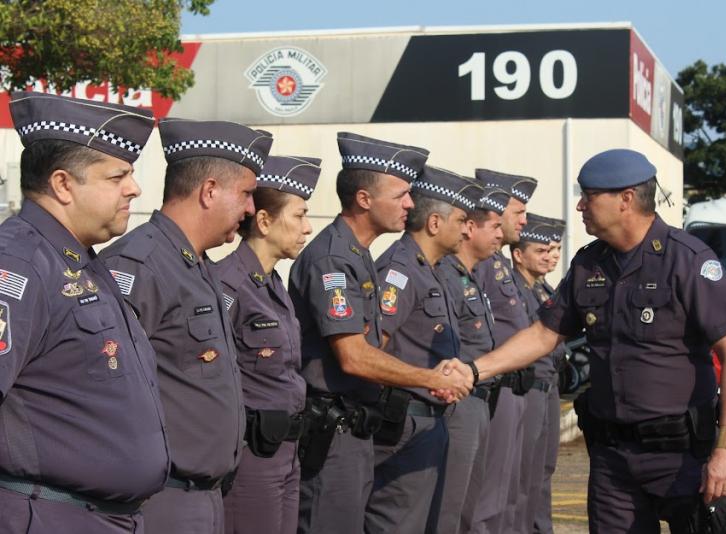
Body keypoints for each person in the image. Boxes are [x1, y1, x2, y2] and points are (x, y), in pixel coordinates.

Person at [463, 149, 726, 533]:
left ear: (626, 199)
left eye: (590, 195)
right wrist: (473, 370)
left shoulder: (687, 259)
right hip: (612, 460)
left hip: (682, 458)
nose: (580, 204)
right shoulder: (588, 264)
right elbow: (544, 334)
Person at [0, 91, 170, 533]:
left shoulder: (82, 261)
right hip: (50, 517)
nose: (134, 188)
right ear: (63, 185)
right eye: (118, 177)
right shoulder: (19, 264)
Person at [289, 133, 473, 534]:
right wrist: (430, 378)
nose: (411, 204)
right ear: (364, 199)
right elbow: (354, 355)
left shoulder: (358, 256)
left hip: (356, 428)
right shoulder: (333, 259)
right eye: (401, 194)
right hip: (332, 430)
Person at [102, 118, 273, 534]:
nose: (251, 209)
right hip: (163, 500)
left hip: (206, 496)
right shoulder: (138, 264)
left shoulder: (197, 266)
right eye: (246, 194)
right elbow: (107, 389)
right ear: (209, 191)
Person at [364, 166, 482, 533]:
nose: (467, 229)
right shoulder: (398, 272)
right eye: (462, 220)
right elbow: (371, 349)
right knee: (397, 522)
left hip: (430, 417)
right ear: (434, 223)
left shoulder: (431, 271)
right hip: (404, 422)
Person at [212, 155, 321, 533]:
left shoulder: (275, 285)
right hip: (251, 456)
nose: (307, 228)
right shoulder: (227, 284)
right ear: (263, 221)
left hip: (287, 452)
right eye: (299, 215)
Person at [432, 187, 510, 534]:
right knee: (448, 508)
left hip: (479, 399)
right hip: (456, 401)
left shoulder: (471, 276)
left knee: (468, 507)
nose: (501, 234)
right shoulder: (446, 274)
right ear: (470, 229)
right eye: (493, 226)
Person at [469, 168, 538, 534]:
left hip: (513, 387)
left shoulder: (499, 266)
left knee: (511, 492)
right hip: (492, 385)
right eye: (518, 211)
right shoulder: (480, 265)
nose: (524, 220)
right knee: (487, 498)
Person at [509, 214, 566, 534]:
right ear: (519, 254)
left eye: (556, 249)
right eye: (543, 251)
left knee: (542, 471)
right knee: (521, 473)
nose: (552, 256)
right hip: (525, 389)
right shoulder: (511, 289)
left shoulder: (546, 289)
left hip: (548, 387)